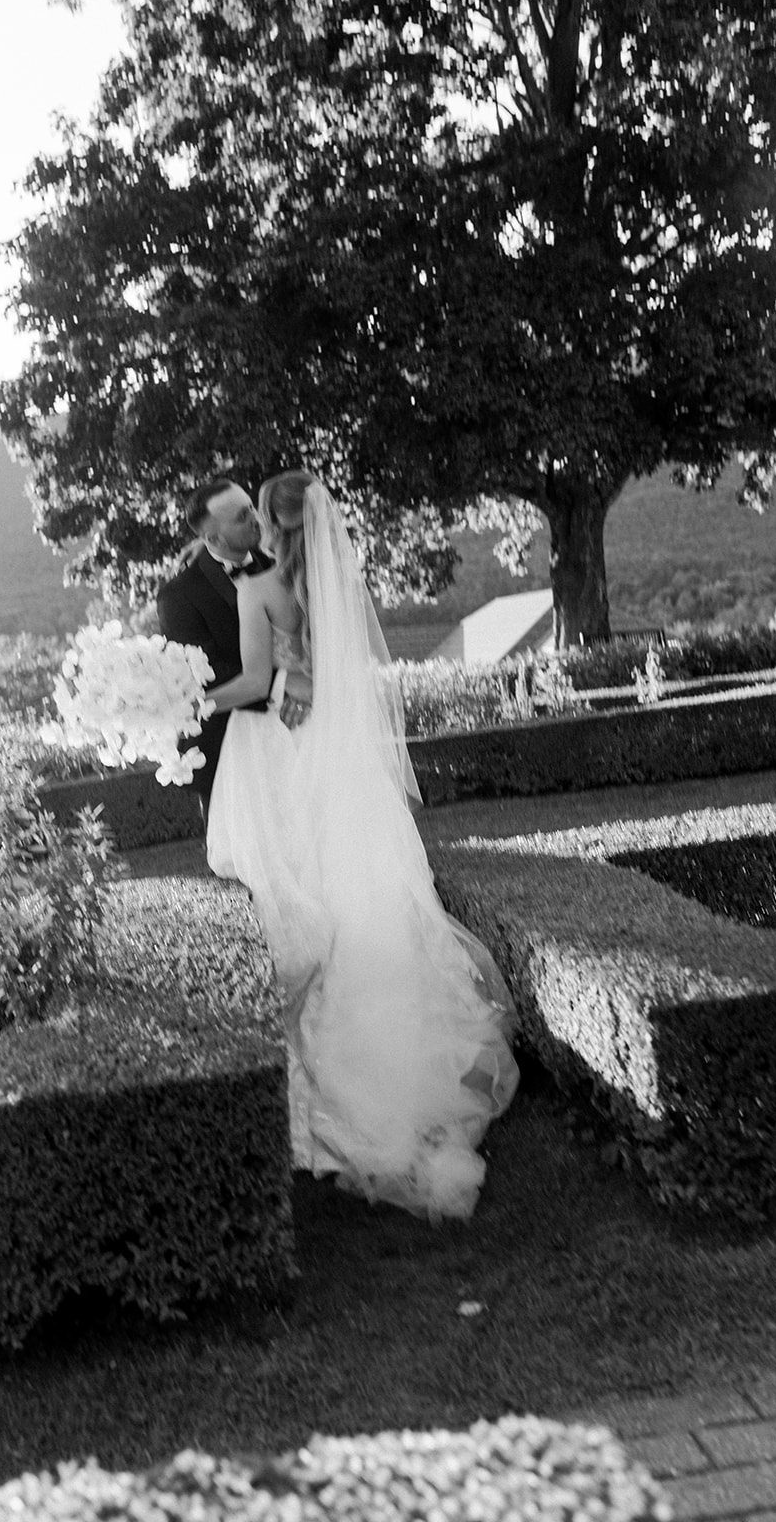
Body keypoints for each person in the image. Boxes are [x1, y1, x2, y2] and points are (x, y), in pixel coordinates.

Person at [203, 470, 519, 1221]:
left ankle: (330, 1079)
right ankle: (403, 1057)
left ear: (269, 527)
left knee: (297, 896)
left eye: (253, 514)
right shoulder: (329, 589)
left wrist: (186, 694)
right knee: (361, 895)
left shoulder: (256, 592)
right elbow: (319, 678)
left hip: (281, 758)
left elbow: (254, 680)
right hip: (339, 763)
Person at [156, 475, 311, 818]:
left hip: (296, 733)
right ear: (212, 537)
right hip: (225, 748)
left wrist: (305, 687)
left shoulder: (283, 563)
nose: (256, 518)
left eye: (252, 508)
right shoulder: (179, 596)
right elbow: (204, 672)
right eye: (242, 516)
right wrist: (285, 685)